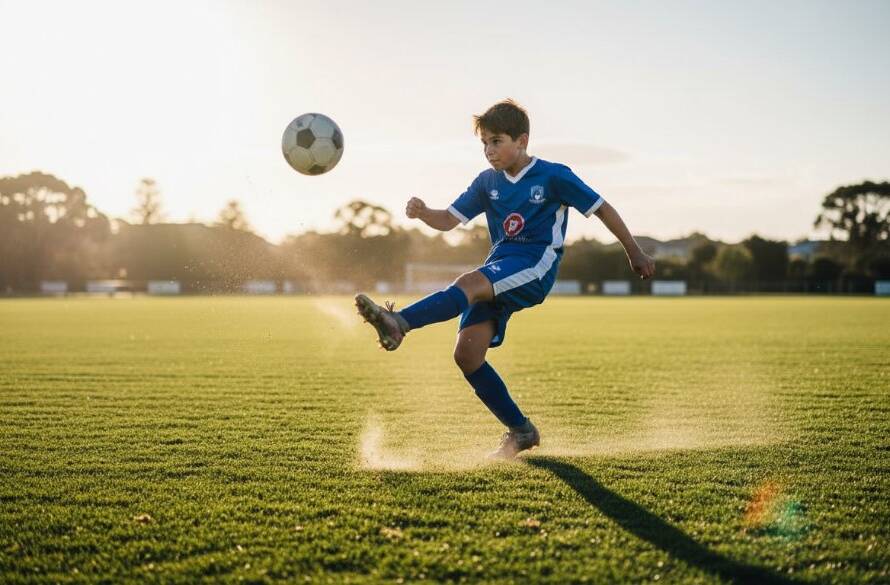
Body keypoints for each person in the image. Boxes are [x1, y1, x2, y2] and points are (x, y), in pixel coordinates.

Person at [355, 99, 655, 459]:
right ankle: (521, 431)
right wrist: (423, 213)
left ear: (522, 141)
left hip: (535, 264)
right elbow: (449, 220)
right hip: (500, 266)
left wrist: (633, 250)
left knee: (468, 283)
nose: (489, 151)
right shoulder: (487, 182)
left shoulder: (554, 175)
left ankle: (398, 322)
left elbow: (601, 207)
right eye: (484, 144)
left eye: (496, 141)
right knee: (467, 355)